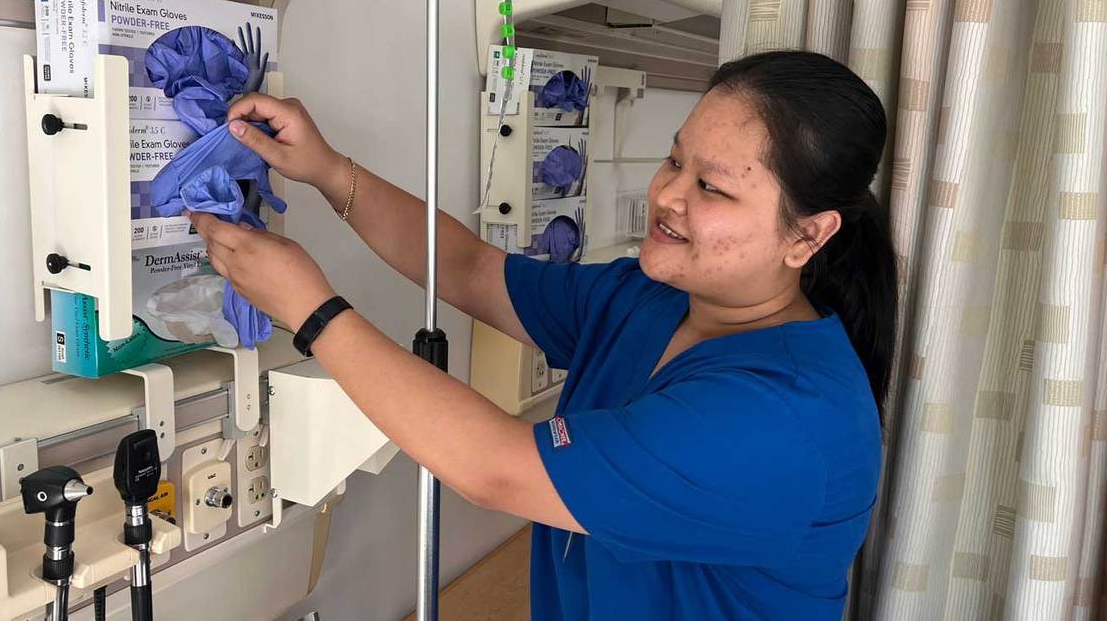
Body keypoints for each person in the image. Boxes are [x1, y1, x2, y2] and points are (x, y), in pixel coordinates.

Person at [189, 50, 897, 620]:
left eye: (712, 188)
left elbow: (497, 468)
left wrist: (312, 312)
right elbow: (469, 269)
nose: (668, 195)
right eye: (675, 160)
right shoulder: (646, 298)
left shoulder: (786, 421)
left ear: (807, 234)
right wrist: (326, 170)